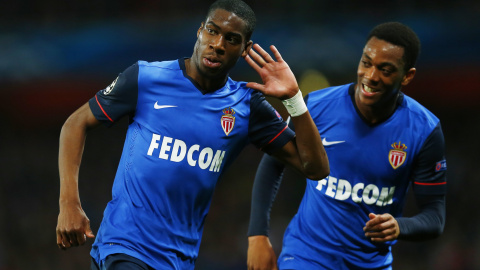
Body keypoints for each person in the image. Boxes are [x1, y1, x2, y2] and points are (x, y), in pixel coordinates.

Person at [55, 0, 329, 269]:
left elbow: (315, 168)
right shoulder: (146, 78)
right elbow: (75, 123)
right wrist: (69, 203)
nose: (218, 45)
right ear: (200, 31)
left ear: (244, 49)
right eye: (213, 31)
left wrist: (294, 100)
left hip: (179, 260)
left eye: (231, 39)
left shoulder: (247, 106)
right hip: (125, 247)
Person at [247, 22, 447, 270]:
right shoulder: (317, 107)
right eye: (366, 63)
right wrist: (257, 235)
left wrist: (399, 226)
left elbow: (435, 217)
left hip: (372, 264)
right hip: (307, 256)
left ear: (407, 75)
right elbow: (273, 163)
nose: (371, 76)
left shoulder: (424, 129)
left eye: (385, 70)